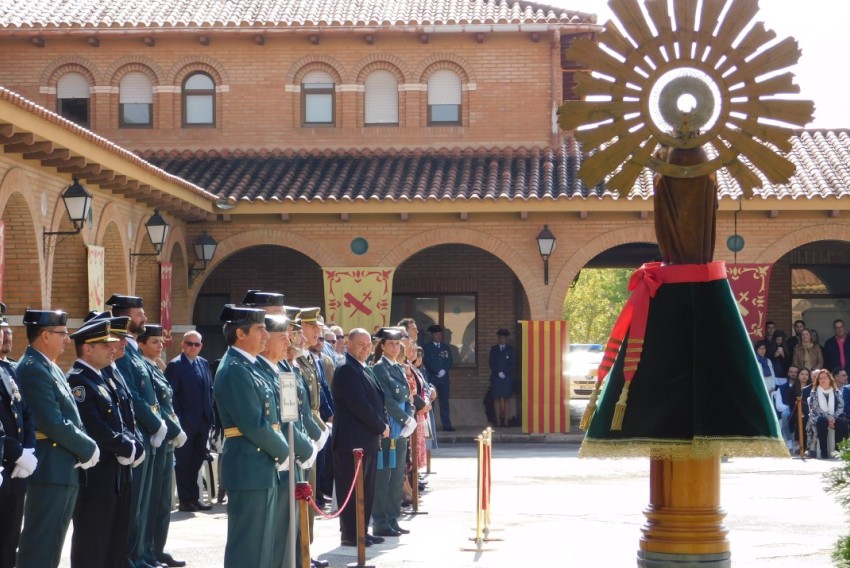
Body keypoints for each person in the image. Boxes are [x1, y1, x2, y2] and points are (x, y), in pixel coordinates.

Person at [16, 309, 99, 568]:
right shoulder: (32, 368)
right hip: (49, 468)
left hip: (62, 467)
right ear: (44, 335)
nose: (67, 339)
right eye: (62, 334)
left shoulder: (46, 366)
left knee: (52, 545)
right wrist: (87, 447)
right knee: (40, 545)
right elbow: (52, 421)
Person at [214, 304, 288, 568]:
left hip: (260, 465)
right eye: (260, 329)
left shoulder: (249, 366)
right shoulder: (234, 369)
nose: (266, 335)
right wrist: (284, 451)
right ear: (240, 334)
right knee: (248, 546)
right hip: (248, 465)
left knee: (262, 545)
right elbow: (253, 424)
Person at [67, 318, 140, 568]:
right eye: (105, 344)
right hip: (97, 475)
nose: (113, 348)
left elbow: (122, 419)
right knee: (93, 543)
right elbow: (94, 426)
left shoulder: (101, 378)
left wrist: (133, 444)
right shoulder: (79, 381)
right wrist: (124, 446)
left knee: (115, 542)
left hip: (116, 473)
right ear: (87, 348)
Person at [107, 293, 168, 568]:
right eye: (139, 313)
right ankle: (131, 556)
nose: (144, 318)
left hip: (148, 435)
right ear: (125, 316)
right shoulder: (123, 352)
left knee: (146, 503)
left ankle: (141, 553)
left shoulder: (133, 351)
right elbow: (132, 395)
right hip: (140, 434)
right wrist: (157, 425)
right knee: (136, 505)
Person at [255, 314, 317, 568]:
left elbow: (296, 413)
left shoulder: (283, 368)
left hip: (293, 448)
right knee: (278, 527)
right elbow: (276, 421)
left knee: (291, 522)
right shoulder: (261, 369)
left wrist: (310, 441)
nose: (289, 342)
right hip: (277, 454)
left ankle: (297, 559)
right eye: (283, 337)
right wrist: (299, 448)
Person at [331, 329, 389, 548]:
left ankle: (362, 530)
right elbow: (359, 405)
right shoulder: (346, 369)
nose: (365, 348)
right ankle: (350, 534)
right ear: (348, 343)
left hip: (366, 439)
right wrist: (381, 425)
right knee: (352, 489)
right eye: (360, 344)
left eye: (368, 344)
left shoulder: (363, 367)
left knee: (366, 488)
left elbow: (376, 399)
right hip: (351, 441)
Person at [138, 325, 187, 568]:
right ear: (141, 344)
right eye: (154, 342)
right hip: (156, 438)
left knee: (164, 501)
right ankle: (147, 550)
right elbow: (152, 405)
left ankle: (157, 548)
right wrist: (172, 429)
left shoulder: (156, 367)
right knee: (152, 501)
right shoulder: (143, 366)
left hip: (165, 440)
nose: (160, 346)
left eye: (161, 341)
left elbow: (167, 403)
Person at [370, 327, 416, 538]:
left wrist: (411, 416)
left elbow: (407, 396)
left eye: (398, 344)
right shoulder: (380, 369)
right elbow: (387, 399)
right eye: (391, 344)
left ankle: (393, 518)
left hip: (402, 428)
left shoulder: (397, 368)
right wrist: (405, 419)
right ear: (382, 346)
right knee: (384, 476)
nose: (395, 348)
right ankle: (380, 521)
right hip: (390, 427)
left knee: (397, 475)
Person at [0, 311, 35, 568]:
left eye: (7, 330)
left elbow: (26, 412)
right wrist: (15, 452)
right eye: (1, 331)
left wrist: (29, 449)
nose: (5, 335)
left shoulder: (10, 369)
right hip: (5, 461)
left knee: (10, 537)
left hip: (15, 467)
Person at [165, 330, 214, 513]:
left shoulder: (202, 363)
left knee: (196, 461)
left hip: (202, 422)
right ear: (183, 344)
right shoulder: (176, 365)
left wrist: (209, 417)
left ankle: (194, 498)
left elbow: (208, 390)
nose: (193, 347)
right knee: (184, 463)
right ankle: (185, 499)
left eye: (196, 344)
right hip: (185, 423)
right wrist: (180, 420)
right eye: (189, 343)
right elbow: (171, 397)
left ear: (201, 346)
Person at [808, 369, 849, 459]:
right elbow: (815, 408)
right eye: (820, 378)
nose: (822, 380)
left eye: (825, 378)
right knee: (822, 421)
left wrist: (833, 417)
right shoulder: (814, 392)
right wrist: (828, 417)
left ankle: (839, 451)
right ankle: (824, 451)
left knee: (842, 423)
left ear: (830, 379)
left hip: (835, 416)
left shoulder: (836, 391)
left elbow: (841, 406)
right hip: (818, 416)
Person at [423, 324, 454, 431]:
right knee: (431, 402)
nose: (438, 336)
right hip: (432, 378)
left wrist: (444, 370)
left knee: (444, 402)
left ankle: (447, 425)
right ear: (432, 335)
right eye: (436, 334)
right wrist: (436, 371)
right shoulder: (427, 347)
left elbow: (449, 361)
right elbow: (426, 362)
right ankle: (431, 426)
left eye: (440, 334)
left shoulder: (445, 347)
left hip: (444, 379)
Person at [489, 329, 516, 427]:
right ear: (498, 338)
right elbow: (491, 363)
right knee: (496, 398)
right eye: (500, 337)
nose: (502, 339)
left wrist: (505, 373)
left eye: (504, 337)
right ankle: (498, 421)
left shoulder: (510, 349)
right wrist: (498, 372)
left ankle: (506, 421)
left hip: (507, 377)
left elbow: (513, 363)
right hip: (496, 377)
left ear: (506, 339)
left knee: (506, 399)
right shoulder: (494, 349)